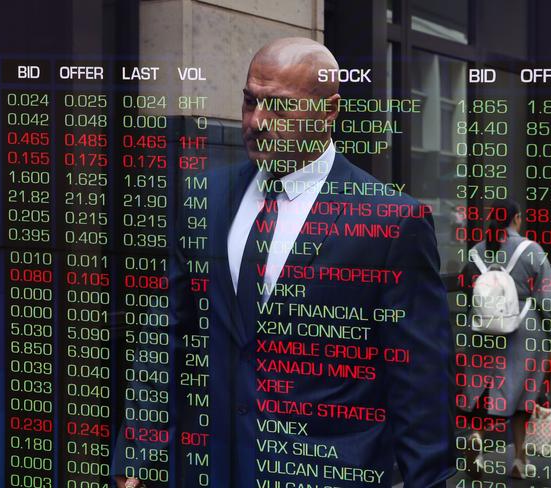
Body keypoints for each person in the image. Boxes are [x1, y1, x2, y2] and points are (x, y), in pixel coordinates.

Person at [116, 37, 455, 488]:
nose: (257, 121)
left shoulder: (390, 221)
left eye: (279, 107)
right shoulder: (207, 197)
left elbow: (418, 380)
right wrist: (137, 455)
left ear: (330, 110)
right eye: (250, 100)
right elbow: (169, 331)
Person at [458, 199, 551, 480]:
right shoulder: (532, 251)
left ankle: (477, 439)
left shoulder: (476, 252)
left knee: (484, 390)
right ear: (516, 219)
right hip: (524, 331)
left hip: (482, 331)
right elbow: (547, 299)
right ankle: (519, 459)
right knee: (523, 395)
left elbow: (467, 292)